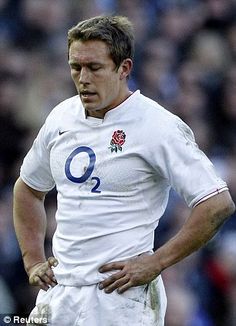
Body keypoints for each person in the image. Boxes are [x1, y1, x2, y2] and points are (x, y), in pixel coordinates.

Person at [13, 15, 235, 326]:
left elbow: (216, 203)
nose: (83, 78)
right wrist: (33, 258)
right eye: (76, 67)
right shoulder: (61, 117)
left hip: (120, 299)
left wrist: (156, 262)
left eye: (94, 68)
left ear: (124, 69)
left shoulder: (157, 125)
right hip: (59, 293)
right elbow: (28, 188)